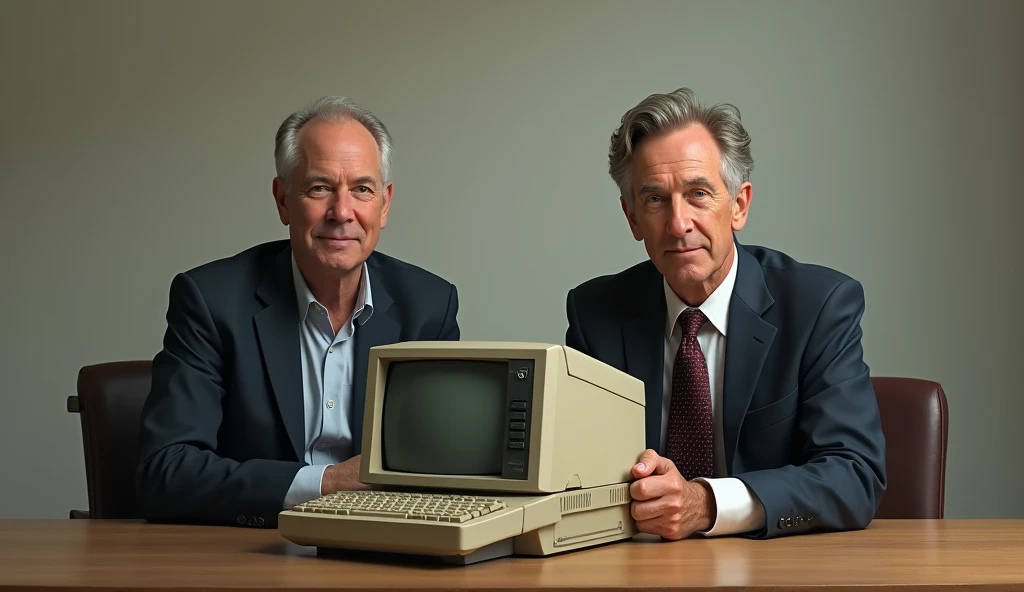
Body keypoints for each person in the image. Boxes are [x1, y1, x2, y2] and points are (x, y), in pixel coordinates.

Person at [565, 88, 886, 540]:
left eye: (698, 193)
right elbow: (572, 475)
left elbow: (854, 474)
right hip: (638, 568)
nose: (679, 223)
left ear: (739, 204)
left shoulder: (818, 306)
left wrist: (707, 503)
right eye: (655, 199)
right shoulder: (595, 314)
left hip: (774, 573)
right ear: (632, 217)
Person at [136, 97, 460, 528]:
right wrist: (325, 483)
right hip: (251, 554)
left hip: (384, 550)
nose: (342, 212)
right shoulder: (211, 301)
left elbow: (445, 466)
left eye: (362, 189)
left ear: (384, 204)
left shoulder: (429, 306)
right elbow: (165, 472)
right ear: (283, 199)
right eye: (319, 187)